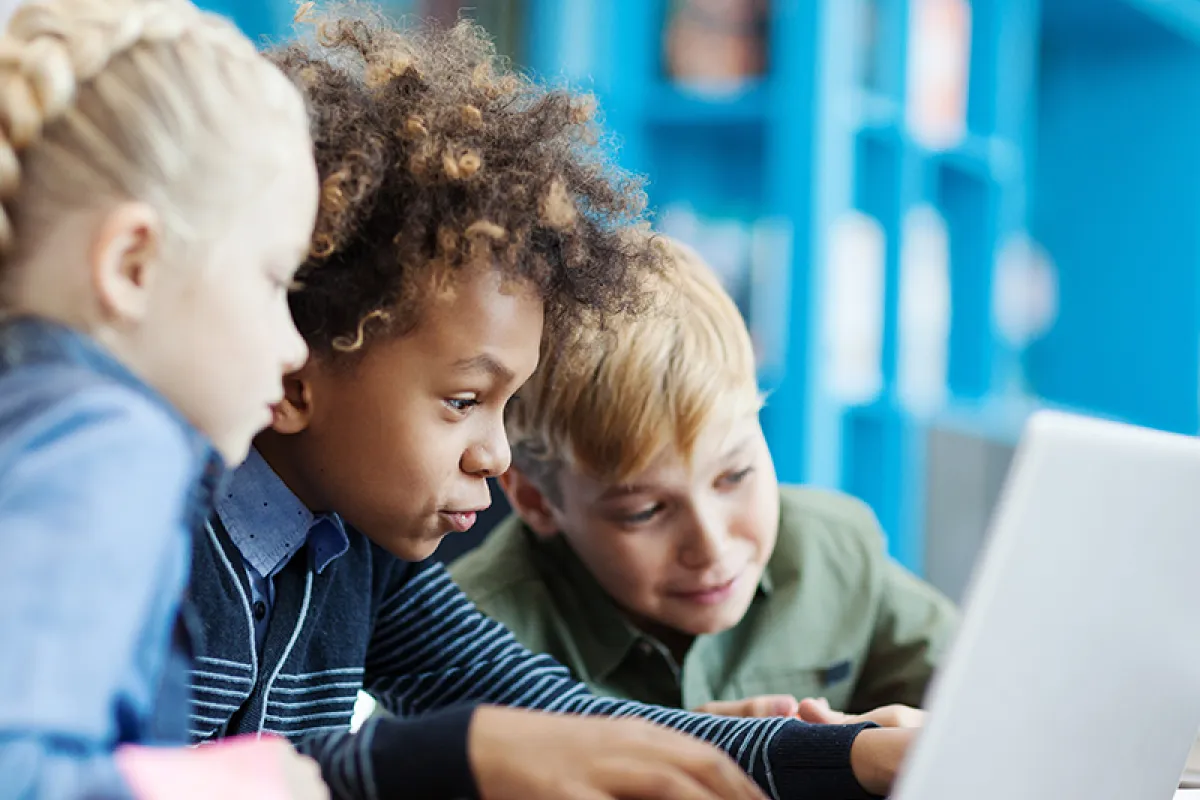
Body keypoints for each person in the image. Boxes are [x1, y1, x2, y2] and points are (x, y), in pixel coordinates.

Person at [186, 8, 915, 800]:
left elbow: (569, 724)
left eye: (505, 406)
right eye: (464, 399)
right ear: (297, 381)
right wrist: (448, 757)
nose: (496, 456)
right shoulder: (163, 543)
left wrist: (849, 757)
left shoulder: (361, 556)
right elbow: (109, 778)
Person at [0, 0, 327, 796]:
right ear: (133, 265)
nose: (293, 347)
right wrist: (232, 787)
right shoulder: (108, 440)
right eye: (275, 280)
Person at [451, 235, 956, 722]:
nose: (711, 547)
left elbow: (997, 704)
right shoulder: (465, 643)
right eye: (644, 512)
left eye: (734, 476)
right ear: (536, 500)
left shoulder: (838, 553)